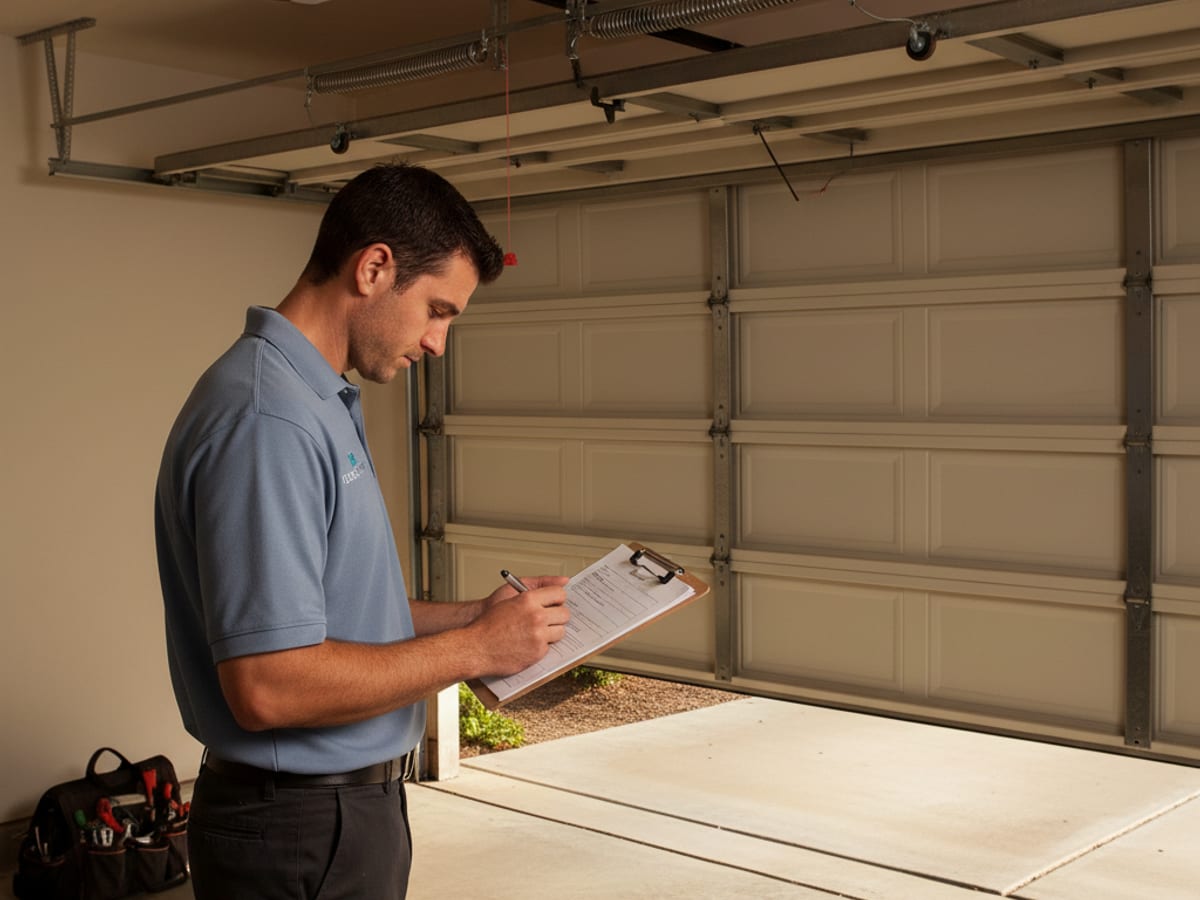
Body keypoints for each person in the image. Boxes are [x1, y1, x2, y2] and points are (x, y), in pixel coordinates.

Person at [154, 163, 570, 900]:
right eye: (437, 310)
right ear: (375, 267)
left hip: (333, 817)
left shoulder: (315, 398)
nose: (439, 343)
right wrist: (475, 649)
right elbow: (269, 686)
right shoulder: (269, 419)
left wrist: (481, 617)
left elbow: (330, 617)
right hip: (301, 828)